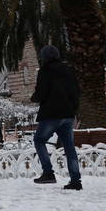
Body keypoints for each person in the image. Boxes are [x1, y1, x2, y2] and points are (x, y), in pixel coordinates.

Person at [30, 44, 82, 190]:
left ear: (44, 57)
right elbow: (77, 91)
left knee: (39, 141)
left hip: (51, 115)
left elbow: (41, 93)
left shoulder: (45, 71)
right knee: (69, 147)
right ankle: (76, 180)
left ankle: (48, 173)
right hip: (68, 115)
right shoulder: (69, 70)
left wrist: (34, 98)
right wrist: (73, 109)